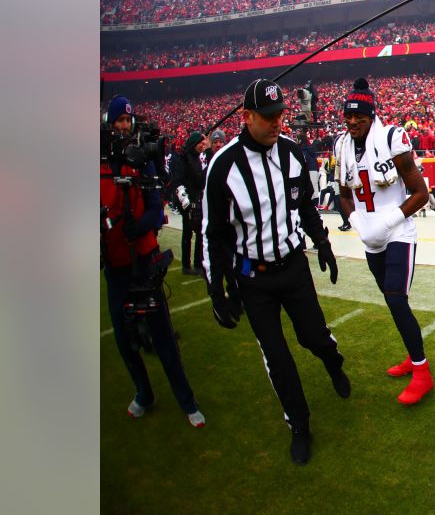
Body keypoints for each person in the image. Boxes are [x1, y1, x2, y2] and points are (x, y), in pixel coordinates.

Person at [202, 78, 347, 465]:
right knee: (277, 358)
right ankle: (299, 424)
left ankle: (333, 362)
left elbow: (304, 207)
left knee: (314, 338)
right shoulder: (223, 166)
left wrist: (323, 242)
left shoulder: (292, 152)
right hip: (253, 277)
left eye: (280, 114)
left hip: (293, 264)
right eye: (267, 117)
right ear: (246, 116)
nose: (276, 123)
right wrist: (216, 289)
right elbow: (212, 233)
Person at [100, 95, 205, 428]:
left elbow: (156, 209)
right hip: (115, 266)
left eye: (128, 121)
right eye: (119, 120)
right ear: (109, 123)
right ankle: (143, 392)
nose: (124, 126)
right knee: (123, 338)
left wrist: (139, 225)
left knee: (162, 335)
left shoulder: (142, 159)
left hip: (144, 259)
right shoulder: (98, 162)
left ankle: (186, 399)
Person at [334, 78, 435, 405]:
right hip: (370, 236)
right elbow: (344, 193)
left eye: (359, 116)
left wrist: (387, 220)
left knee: (394, 298)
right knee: (392, 300)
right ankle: (413, 356)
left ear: (371, 115)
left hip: (397, 232)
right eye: (347, 117)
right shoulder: (342, 145)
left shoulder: (392, 138)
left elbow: (420, 193)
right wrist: (355, 222)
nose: (352, 122)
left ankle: (422, 372)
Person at [170, 131, 208, 276]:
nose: (202, 145)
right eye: (199, 143)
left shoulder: (195, 158)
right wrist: (185, 201)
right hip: (188, 202)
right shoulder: (184, 159)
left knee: (198, 234)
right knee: (188, 233)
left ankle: (196, 264)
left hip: (197, 199)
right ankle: (187, 265)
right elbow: (177, 181)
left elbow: (199, 181)